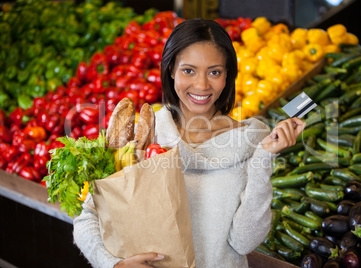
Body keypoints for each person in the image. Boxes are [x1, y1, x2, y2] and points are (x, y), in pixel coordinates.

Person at [73, 18, 305, 268]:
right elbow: (88, 218)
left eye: (214, 72)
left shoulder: (251, 141)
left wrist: (263, 158)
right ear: (171, 69)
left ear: (228, 75)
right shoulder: (144, 135)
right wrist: (113, 264)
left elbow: (243, 243)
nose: (202, 85)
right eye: (189, 70)